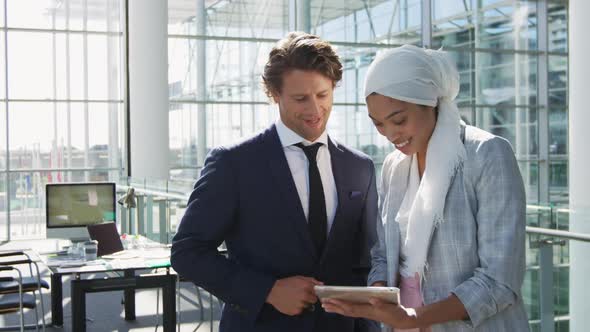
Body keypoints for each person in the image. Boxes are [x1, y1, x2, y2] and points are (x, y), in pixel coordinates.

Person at [171, 31, 378, 332]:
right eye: (300, 98)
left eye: (323, 95)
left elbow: (365, 264)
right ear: (274, 93)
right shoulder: (234, 163)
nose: (314, 110)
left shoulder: (360, 167)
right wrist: (267, 290)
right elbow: (187, 252)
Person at [321, 45, 529, 331]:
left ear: (430, 102)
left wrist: (417, 317)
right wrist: (377, 296)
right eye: (379, 124)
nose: (391, 135)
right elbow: (383, 253)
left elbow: (500, 279)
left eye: (399, 120)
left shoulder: (486, 154)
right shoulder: (394, 168)